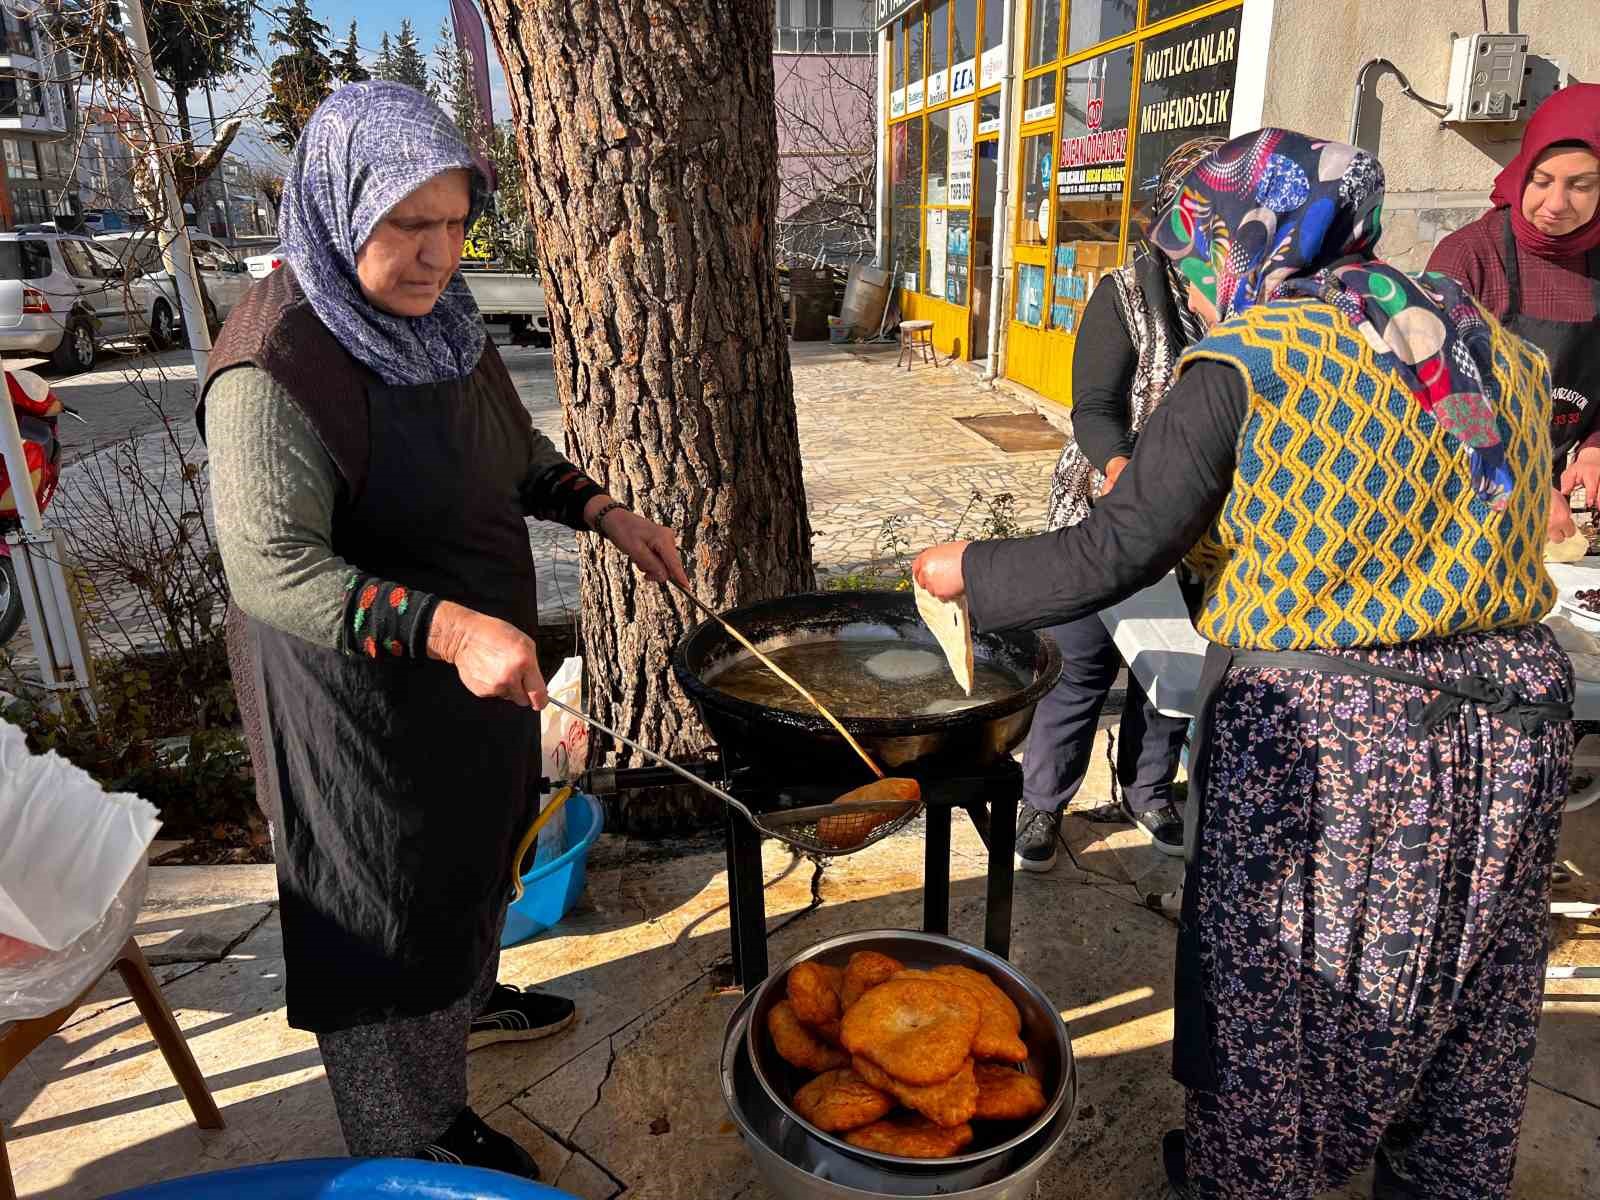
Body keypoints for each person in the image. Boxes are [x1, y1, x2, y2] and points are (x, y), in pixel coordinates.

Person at [914, 129, 1572, 1199]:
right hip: (1516, 730)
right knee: (1468, 1003)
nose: (1194, 289)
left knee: (1293, 1004)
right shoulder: (1481, 339)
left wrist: (970, 570)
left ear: (1240, 238)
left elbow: (1115, 546)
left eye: (1191, 261)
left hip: (1344, 746)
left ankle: (1251, 1179)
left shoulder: (1251, 357)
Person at [200, 83, 689, 1178]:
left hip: (466, 668)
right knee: (384, 902)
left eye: (456, 224)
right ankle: (409, 1137)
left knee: (474, 851)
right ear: (336, 210)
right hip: (356, 703)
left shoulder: (442, 327)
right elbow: (271, 568)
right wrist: (450, 629)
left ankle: (466, 1004)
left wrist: (605, 512)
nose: (436, 256)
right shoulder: (274, 364)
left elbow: (510, 456)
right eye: (407, 227)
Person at [1018, 136, 1223, 870]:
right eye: (1194, 215)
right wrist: (1125, 473)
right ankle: (1042, 804)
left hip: (1204, 525)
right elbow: (1095, 407)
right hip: (1104, 508)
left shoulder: (1254, 299)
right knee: (1077, 666)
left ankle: (1147, 793)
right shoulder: (1126, 294)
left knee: (1171, 668)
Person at [1428, 84, 1600, 544]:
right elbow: (1435, 392)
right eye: (1542, 181)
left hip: (1558, 507)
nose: (1556, 204)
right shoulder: (1469, 257)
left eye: (1581, 185)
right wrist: (1520, 482)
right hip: (1463, 499)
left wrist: (1595, 448)